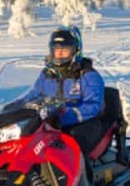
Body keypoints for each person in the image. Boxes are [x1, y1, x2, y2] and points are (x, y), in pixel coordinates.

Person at [29, 27, 107, 157]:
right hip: (52, 122)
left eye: (64, 50)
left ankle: (83, 175)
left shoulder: (87, 75)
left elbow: (93, 105)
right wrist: (14, 107)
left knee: (71, 145)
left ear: (75, 51)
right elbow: (34, 94)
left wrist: (65, 116)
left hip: (84, 122)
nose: (59, 55)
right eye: (56, 50)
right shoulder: (47, 74)